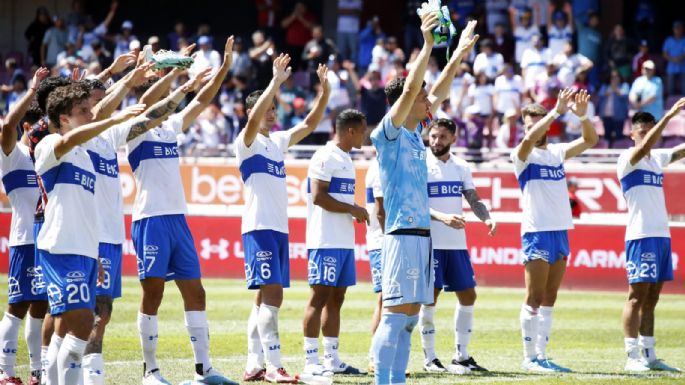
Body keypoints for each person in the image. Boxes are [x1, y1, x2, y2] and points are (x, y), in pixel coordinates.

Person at [369, 10, 478, 384]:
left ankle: (395, 380)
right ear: (404, 100)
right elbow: (417, 88)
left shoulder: (416, 135)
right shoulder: (390, 133)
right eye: (420, 98)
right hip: (400, 236)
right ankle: (383, 380)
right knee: (395, 316)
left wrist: (459, 52)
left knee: (410, 319)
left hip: (422, 237)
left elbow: (438, 90)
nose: (429, 103)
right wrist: (428, 43)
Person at [127, 37, 238, 385]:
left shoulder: (170, 127)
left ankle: (204, 370)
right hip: (150, 219)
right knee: (154, 295)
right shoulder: (133, 129)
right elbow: (147, 103)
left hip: (177, 218)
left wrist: (223, 68)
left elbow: (203, 99)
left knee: (197, 292)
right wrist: (175, 72)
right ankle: (151, 371)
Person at [37, 82, 145, 385]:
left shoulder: (85, 157)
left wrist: (94, 254)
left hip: (84, 251)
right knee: (84, 321)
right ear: (63, 119)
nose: (90, 114)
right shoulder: (50, 145)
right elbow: (66, 142)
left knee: (73, 327)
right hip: (61, 248)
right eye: (82, 111)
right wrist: (113, 119)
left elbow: (86, 210)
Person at [237, 57, 330, 383]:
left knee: (263, 298)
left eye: (275, 108)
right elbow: (251, 124)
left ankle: (255, 364)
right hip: (259, 226)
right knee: (273, 297)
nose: (273, 113)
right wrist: (275, 81)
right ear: (252, 114)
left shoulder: (276, 142)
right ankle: (275, 366)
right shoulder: (245, 143)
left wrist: (325, 93)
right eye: (267, 108)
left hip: (277, 228)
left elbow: (308, 125)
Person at [512, 88, 598, 373]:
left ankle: (542, 355)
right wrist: (554, 112)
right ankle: (529, 357)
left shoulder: (557, 153)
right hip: (536, 231)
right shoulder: (522, 155)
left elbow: (590, 139)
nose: (535, 129)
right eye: (529, 124)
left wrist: (583, 116)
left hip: (560, 230)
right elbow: (527, 140)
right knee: (533, 297)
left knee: (550, 297)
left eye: (538, 123)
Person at [419, 118, 496, 374]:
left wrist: (486, 217)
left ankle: (461, 356)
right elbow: (415, 203)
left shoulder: (461, 166)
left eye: (442, 137)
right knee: (430, 298)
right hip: (431, 243)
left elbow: (472, 197)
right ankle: (430, 359)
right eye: (433, 136)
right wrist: (442, 217)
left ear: (453, 138)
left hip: (456, 244)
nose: (436, 141)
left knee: (468, 295)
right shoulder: (420, 164)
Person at [617, 101, 685, 373]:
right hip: (640, 234)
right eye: (642, 131)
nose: (647, 135)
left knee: (653, 297)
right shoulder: (628, 159)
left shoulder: (657, 159)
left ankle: (649, 354)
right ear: (632, 134)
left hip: (661, 235)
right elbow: (644, 148)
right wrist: (669, 115)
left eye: (650, 131)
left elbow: (680, 151)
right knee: (636, 295)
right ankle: (631, 355)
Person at [303, 109, 368, 376]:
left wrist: (350, 209)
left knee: (337, 299)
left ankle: (332, 359)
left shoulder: (346, 158)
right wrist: (352, 208)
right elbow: (318, 197)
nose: (366, 135)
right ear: (350, 131)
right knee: (318, 297)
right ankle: (310, 360)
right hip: (324, 240)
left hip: (343, 240)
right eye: (363, 130)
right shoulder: (324, 156)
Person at [0, 68, 49, 385]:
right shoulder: (13, 157)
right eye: (40, 131)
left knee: (40, 308)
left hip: (48, 241)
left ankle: (36, 372)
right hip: (23, 241)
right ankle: (5, 372)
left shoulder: (46, 157)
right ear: (29, 128)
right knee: (17, 306)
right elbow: (6, 125)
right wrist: (32, 91)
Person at [363, 157, 384, 372]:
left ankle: (381, 354)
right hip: (382, 241)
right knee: (386, 298)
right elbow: (381, 210)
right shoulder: (380, 167)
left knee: (390, 299)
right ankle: (376, 356)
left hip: (388, 240)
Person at [598, 70, 630, 148]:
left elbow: (625, 95)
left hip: (619, 116)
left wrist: (615, 89)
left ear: (619, 77)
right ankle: (608, 156)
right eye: (612, 77)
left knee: (619, 137)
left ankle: (619, 155)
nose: (614, 78)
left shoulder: (624, 86)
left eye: (616, 76)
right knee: (607, 136)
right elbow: (601, 94)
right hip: (606, 115)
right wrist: (610, 89)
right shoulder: (605, 86)